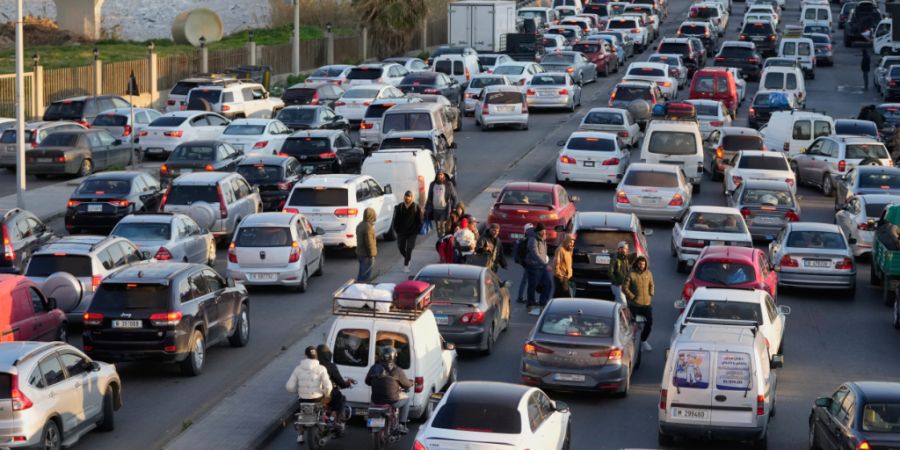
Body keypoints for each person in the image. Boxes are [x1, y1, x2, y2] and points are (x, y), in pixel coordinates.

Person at [285, 346, 333, 444]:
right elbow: (328, 386)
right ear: (316, 356)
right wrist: (326, 394)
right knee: (322, 409)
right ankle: (323, 426)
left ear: (305, 355)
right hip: (317, 399)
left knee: (303, 413)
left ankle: (300, 435)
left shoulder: (298, 369)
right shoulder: (321, 368)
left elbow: (289, 387)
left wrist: (297, 391)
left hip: (303, 399)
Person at [365, 346, 414, 434]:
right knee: (407, 400)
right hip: (392, 401)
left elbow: (367, 381)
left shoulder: (374, 368)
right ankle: (402, 424)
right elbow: (406, 384)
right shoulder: (397, 370)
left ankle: (372, 423)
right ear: (394, 357)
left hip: (376, 400)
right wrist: (411, 383)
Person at [316, 344, 355, 427]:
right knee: (340, 398)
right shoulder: (330, 366)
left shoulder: (313, 366)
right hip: (327, 394)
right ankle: (333, 419)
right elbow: (340, 381)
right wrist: (346, 383)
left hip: (313, 394)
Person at [622, 256, 654, 352]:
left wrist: (651, 293)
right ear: (637, 264)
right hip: (634, 305)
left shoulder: (648, 273)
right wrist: (632, 297)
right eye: (640, 264)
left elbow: (651, 284)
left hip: (646, 305)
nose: (642, 266)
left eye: (643, 264)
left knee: (649, 323)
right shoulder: (631, 274)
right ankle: (632, 344)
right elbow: (625, 288)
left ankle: (643, 341)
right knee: (633, 326)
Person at [525, 223, 553, 316]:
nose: (545, 232)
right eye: (543, 231)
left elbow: (543, 253)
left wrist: (545, 262)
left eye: (545, 231)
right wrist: (545, 264)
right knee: (533, 286)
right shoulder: (533, 239)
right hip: (534, 266)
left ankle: (543, 303)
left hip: (542, 266)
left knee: (548, 284)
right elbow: (535, 253)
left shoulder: (543, 239)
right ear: (539, 231)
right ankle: (530, 304)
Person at [392, 191, 423, 273]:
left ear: (411, 197)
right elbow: (395, 220)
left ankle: (406, 265)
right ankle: (407, 258)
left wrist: (417, 230)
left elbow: (420, 221)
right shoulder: (400, 207)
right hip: (401, 232)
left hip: (412, 233)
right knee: (401, 247)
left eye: (408, 196)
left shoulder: (416, 207)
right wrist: (397, 229)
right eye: (406, 196)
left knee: (409, 248)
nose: (407, 198)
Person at [425, 170, 458, 237]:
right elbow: (429, 197)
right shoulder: (433, 184)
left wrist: (454, 208)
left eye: (441, 175)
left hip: (444, 209)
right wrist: (426, 208)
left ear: (444, 175)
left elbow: (455, 197)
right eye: (438, 175)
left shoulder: (448, 184)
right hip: (435, 209)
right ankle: (440, 239)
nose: (440, 176)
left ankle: (442, 239)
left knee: (442, 225)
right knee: (438, 227)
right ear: (436, 176)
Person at [514, 223, 535, 303]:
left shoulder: (522, 239)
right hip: (530, 262)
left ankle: (521, 297)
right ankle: (528, 298)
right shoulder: (531, 239)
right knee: (529, 281)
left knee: (525, 280)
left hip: (525, 262)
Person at [356, 207, 377, 282]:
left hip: (360, 253)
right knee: (365, 277)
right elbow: (369, 243)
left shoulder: (360, 224)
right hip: (367, 255)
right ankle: (361, 290)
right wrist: (372, 254)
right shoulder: (368, 227)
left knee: (361, 274)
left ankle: (357, 288)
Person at [609, 241, 631, 305]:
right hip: (617, 286)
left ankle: (614, 314)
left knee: (617, 304)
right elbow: (610, 272)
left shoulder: (625, 259)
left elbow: (627, 271)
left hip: (624, 285)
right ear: (620, 249)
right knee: (624, 303)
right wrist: (617, 283)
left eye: (627, 249)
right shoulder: (615, 259)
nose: (626, 250)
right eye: (625, 248)